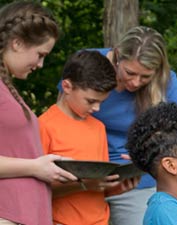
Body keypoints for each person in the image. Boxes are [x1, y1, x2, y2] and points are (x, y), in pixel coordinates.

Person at [58, 25, 177, 225]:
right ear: (117, 56)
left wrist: (150, 154)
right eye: (130, 72)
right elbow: (61, 116)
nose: (135, 83)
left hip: (134, 182)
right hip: (82, 176)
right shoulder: (89, 65)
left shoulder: (167, 82)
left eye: (145, 77)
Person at [39, 50, 140, 225]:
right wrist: (83, 184)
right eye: (91, 101)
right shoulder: (44, 126)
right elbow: (35, 192)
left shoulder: (98, 127)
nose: (97, 109)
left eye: (102, 102)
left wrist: (117, 187)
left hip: (100, 220)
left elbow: (98, 186)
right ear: (67, 86)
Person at [0, 2, 78, 225]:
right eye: (40, 54)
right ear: (17, 43)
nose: (41, 64)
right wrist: (36, 167)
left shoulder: (8, 89)